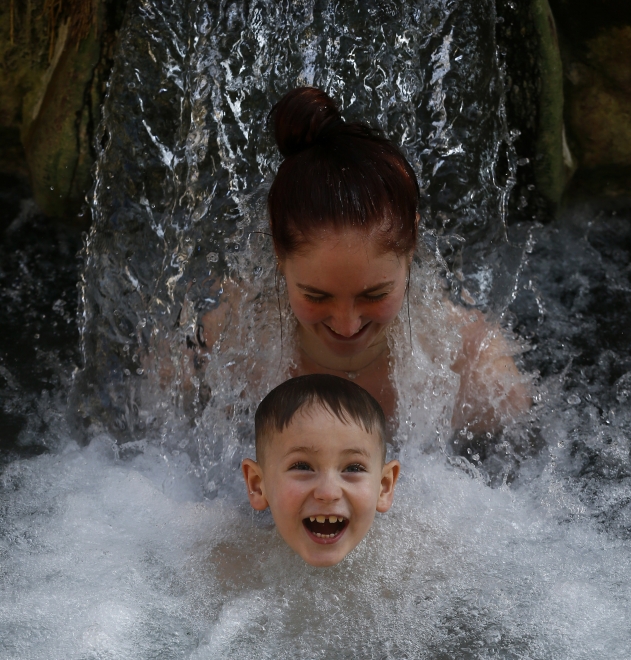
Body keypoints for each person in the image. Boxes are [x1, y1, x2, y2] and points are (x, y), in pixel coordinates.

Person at [199, 85, 530, 434]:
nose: (347, 326)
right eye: (316, 295)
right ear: (279, 254)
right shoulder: (222, 347)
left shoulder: (475, 371)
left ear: (412, 243)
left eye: (374, 295)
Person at [242, 374, 400, 567]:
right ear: (257, 485)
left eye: (353, 468)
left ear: (384, 487)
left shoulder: (413, 569)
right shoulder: (232, 568)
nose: (328, 493)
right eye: (302, 467)